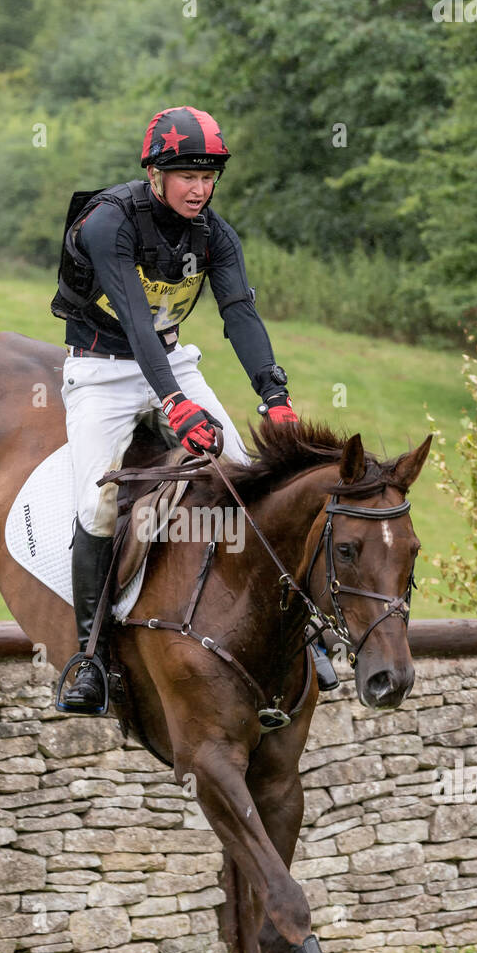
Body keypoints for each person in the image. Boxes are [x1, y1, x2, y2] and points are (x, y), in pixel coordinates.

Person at [51, 104, 325, 714]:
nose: (200, 189)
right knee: (96, 503)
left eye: (208, 176)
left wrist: (274, 397)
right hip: (100, 371)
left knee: (248, 474)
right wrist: (175, 407)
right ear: (155, 175)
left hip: (172, 362)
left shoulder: (216, 236)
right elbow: (135, 324)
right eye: (186, 176)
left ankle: (294, 631)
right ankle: (88, 659)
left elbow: (240, 314)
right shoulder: (108, 223)